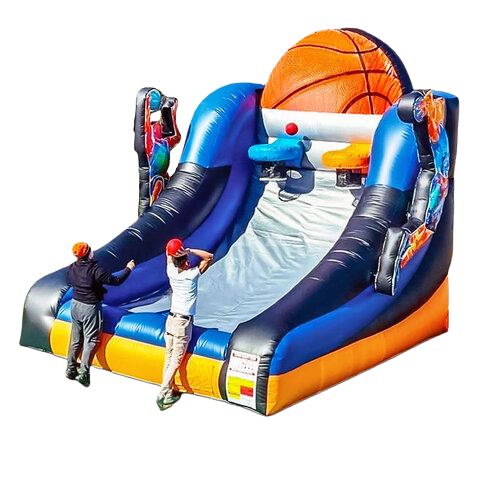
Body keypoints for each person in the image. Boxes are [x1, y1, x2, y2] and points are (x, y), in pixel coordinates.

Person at [65, 241, 135, 387]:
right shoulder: (95, 270)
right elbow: (116, 281)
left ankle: (70, 369)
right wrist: (128, 269)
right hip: (89, 307)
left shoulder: (72, 267)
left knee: (76, 339)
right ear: (89, 253)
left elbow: (72, 281)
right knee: (91, 340)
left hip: (75, 304)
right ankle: (84, 373)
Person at [155, 238, 213, 411]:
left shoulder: (171, 271)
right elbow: (209, 257)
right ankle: (161, 394)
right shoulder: (191, 275)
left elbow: (168, 254)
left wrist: (175, 251)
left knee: (169, 357)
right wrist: (189, 250)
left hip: (171, 319)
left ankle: (167, 390)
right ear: (185, 261)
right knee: (176, 360)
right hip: (182, 322)